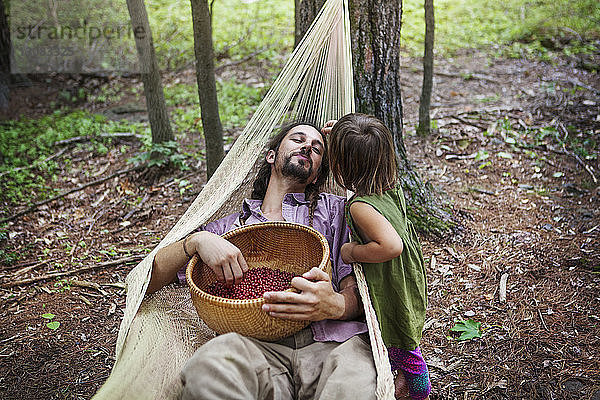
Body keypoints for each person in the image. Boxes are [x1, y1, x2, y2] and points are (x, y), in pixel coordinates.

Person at [147, 121, 376, 400]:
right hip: (257, 350)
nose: (307, 147)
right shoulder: (227, 231)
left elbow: (359, 289)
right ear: (271, 156)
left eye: (317, 149)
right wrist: (196, 242)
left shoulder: (338, 212)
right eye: (298, 140)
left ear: (316, 175)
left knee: (357, 388)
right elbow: (149, 279)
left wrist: (334, 304)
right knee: (208, 367)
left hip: (334, 345)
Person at [326, 113, 431, 400]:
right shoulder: (389, 181)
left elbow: (391, 246)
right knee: (402, 328)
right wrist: (339, 135)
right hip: (407, 273)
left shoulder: (360, 206)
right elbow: (366, 148)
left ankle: (419, 388)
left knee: (398, 336)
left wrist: (351, 252)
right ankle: (403, 377)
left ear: (342, 165)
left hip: (390, 280)